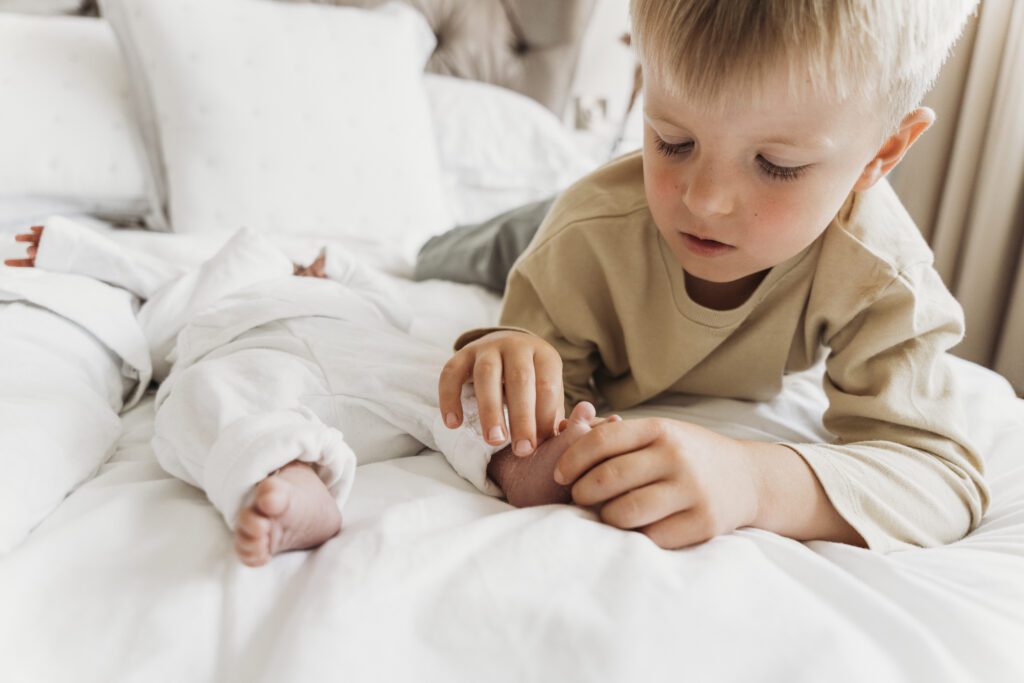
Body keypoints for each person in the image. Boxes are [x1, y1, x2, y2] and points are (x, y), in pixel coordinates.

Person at [438, 0, 990, 553]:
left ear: (881, 154)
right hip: (575, 225)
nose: (703, 200)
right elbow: (528, 407)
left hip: (625, 218)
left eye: (777, 165)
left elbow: (942, 477)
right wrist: (524, 410)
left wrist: (754, 481)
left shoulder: (880, 272)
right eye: (672, 141)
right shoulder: (588, 235)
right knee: (452, 253)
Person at [8, 221, 592, 566]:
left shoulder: (343, 286)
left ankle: (522, 458)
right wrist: (67, 246)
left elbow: (394, 303)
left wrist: (334, 268)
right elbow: (139, 260)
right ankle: (285, 473)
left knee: (441, 382)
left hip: (352, 340)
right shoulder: (217, 271)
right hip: (243, 350)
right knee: (200, 404)